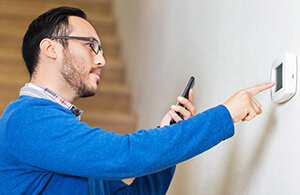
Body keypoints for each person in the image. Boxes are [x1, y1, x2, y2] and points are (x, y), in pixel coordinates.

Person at [0, 6, 274, 195]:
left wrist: (168, 133)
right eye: (91, 45)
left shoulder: (66, 135)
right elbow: (125, 155)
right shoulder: (25, 119)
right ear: (50, 48)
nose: (102, 60)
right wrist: (224, 115)